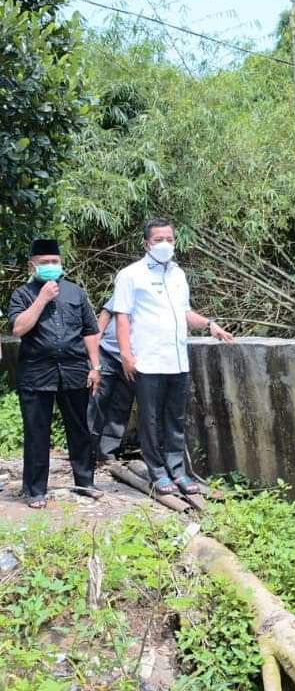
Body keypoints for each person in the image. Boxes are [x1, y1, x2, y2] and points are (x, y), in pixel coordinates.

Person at [112, 218, 234, 496]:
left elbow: (184, 313)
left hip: (177, 360)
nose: (165, 244)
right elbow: (122, 318)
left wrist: (209, 324)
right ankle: (157, 472)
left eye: (169, 239)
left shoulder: (178, 274)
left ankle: (177, 470)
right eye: (158, 240)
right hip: (148, 360)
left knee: (175, 418)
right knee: (151, 418)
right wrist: (126, 356)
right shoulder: (131, 275)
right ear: (146, 244)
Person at [7, 238, 103, 509]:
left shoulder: (75, 293)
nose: (51, 266)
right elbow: (18, 329)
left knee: (80, 429)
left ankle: (85, 482)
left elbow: (90, 331)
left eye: (55, 262)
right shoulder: (22, 295)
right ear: (32, 266)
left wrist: (96, 366)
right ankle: (35, 490)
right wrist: (42, 299)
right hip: (37, 373)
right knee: (37, 432)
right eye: (45, 262)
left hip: (74, 371)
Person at [87, 296, 134, 463]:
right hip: (107, 352)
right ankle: (87, 450)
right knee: (96, 401)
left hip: (132, 360)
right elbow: (106, 315)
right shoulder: (129, 284)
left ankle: (107, 452)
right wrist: (95, 343)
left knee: (120, 407)